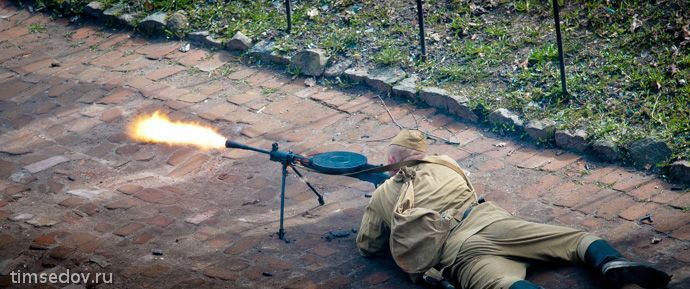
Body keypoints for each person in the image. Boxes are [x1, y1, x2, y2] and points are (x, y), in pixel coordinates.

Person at [356, 130, 671, 289]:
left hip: (455, 255)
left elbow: (368, 246)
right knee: (577, 241)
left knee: (502, 285)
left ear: (393, 163)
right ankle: (609, 263)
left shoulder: (384, 193)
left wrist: (382, 202)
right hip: (491, 223)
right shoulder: (445, 162)